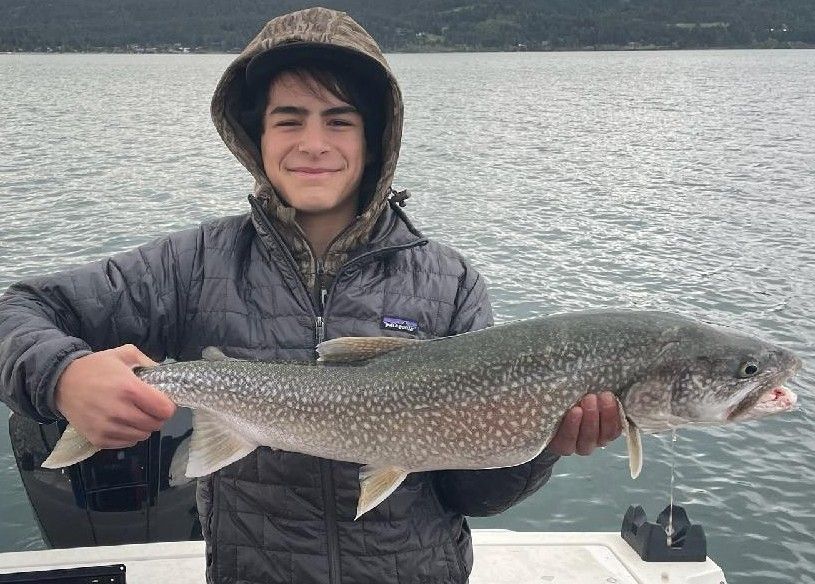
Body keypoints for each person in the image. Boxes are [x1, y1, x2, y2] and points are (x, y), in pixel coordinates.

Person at [0, 7, 622, 584]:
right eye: (289, 120)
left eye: (339, 121)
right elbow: (18, 310)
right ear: (257, 136)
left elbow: (470, 496)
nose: (314, 143)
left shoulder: (451, 283)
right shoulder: (191, 265)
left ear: (375, 139)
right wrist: (64, 377)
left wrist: (541, 446)